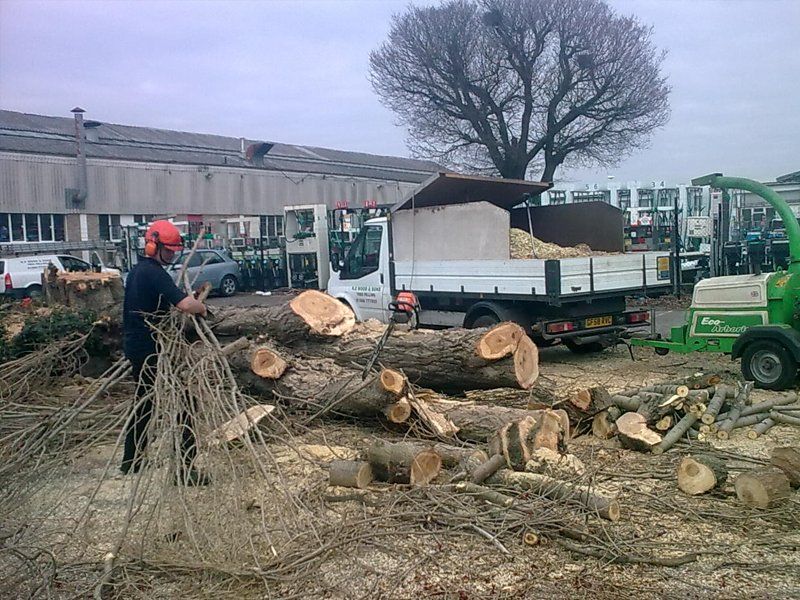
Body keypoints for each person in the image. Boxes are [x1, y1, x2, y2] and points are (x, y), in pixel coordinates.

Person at [121, 220, 208, 485]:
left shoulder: (138, 271)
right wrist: (202, 308)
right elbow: (184, 304)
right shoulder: (155, 273)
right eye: (167, 251)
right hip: (151, 348)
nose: (171, 256)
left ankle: (131, 460)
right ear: (152, 246)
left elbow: (163, 301)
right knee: (186, 404)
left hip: (137, 345)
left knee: (144, 402)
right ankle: (185, 468)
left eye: (173, 251)